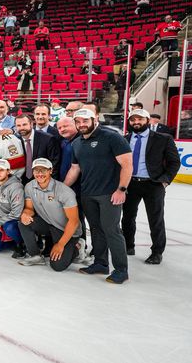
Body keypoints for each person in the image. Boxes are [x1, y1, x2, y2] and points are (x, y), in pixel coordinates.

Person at [63, 109, 132, 284]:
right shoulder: (77, 143)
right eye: (78, 122)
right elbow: (74, 169)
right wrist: (62, 188)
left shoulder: (112, 137)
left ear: (95, 120)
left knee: (112, 230)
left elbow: (127, 165)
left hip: (110, 194)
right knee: (96, 229)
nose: (81, 125)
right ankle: (101, 263)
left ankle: (121, 270)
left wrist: (121, 190)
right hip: (88, 194)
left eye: (85, 121)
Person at [122, 109, 180, 265]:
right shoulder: (124, 139)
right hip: (130, 183)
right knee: (127, 217)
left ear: (147, 120)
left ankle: (157, 252)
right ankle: (128, 245)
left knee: (156, 219)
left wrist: (165, 180)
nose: (136, 122)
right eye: (133, 119)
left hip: (153, 184)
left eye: (140, 119)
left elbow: (174, 162)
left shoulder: (163, 139)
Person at [17, 158, 82, 271]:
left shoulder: (64, 191)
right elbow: (29, 208)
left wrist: (60, 244)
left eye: (44, 170)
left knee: (57, 266)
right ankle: (36, 256)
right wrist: (25, 214)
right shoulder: (29, 186)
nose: (40, 174)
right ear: (32, 172)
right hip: (49, 224)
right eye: (36, 170)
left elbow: (74, 221)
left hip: (67, 230)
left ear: (50, 171)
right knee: (23, 223)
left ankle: (78, 247)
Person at [13, 114, 61, 185]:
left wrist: (48, 183)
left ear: (31, 124)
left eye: (24, 124)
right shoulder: (15, 140)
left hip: (44, 180)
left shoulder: (48, 139)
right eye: (18, 125)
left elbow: (55, 163)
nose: (22, 128)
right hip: (22, 181)